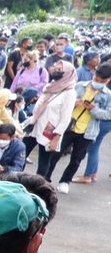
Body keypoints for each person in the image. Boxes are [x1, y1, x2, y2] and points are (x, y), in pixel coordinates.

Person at [47, 63, 111, 194]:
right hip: (69, 127)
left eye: (102, 81)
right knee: (55, 154)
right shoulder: (79, 86)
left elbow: (108, 114)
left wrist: (93, 109)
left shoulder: (108, 95)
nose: (98, 82)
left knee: (76, 159)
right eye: (97, 79)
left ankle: (65, 181)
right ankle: (46, 178)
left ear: (108, 80)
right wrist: (74, 103)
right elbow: (63, 102)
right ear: (94, 74)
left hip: (87, 131)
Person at [27, 60, 77, 184]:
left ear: (67, 74)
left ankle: (37, 188)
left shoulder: (69, 93)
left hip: (49, 131)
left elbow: (65, 118)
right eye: (56, 68)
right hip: (35, 125)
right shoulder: (52, 85)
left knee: (44, 162)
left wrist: (56, 138)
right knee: (22, 153)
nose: (56, 71)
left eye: (60, 70)